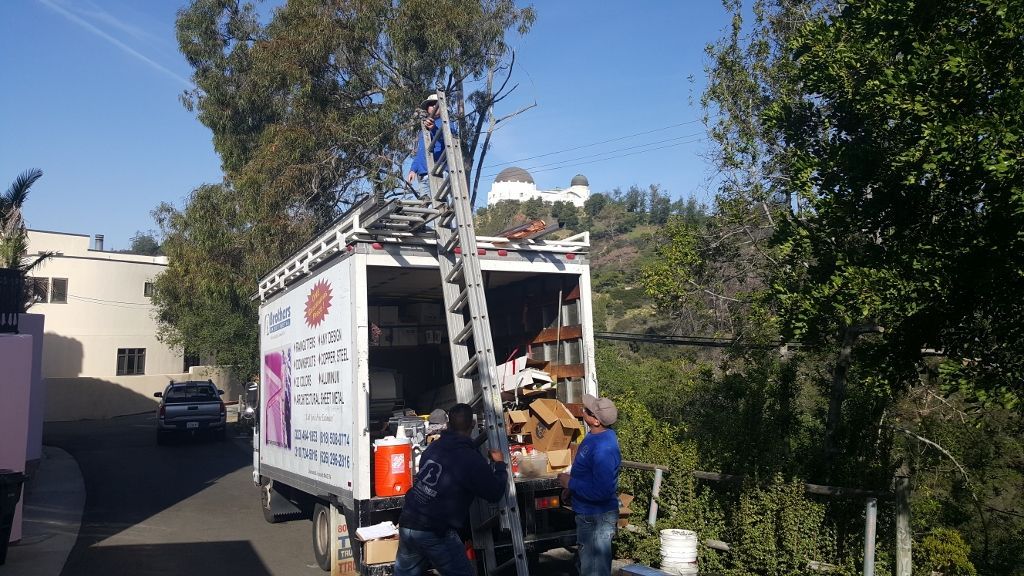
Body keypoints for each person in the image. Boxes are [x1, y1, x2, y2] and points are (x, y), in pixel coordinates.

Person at [395, 403, 507, 576]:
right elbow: (494, 493)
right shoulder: (471, 459)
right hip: (434, 530)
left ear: (447, 425)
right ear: (472, 425)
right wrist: (499, 464)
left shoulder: (434, 447)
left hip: (409, 521)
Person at [558, 393, 621, 576]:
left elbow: (601, 491)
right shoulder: (594, 436)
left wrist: (571, 483)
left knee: (594, 571)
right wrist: (571, 489)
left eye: (587, 410)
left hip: (597, 519)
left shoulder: (604, 449)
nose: (583, 410)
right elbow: (588, 473)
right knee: (588, 568)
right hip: (588, 515)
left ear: (595, 421)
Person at [406, 93, 455, 185]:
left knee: (441, 199)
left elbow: (450, 142)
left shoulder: (447, 123)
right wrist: (413, 170)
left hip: (439, 171)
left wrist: (434, 129)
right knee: (427, 199)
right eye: (431, 104)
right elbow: (421, 152)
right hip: (424, 175)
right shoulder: (423, 130)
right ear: (427, 108)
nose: (433, 106)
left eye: (436, 104)